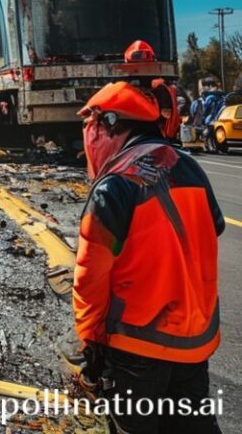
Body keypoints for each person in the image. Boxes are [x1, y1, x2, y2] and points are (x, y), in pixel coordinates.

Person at [74, 79, 224, 433]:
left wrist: (92, 346)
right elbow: (210, 230)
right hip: (194, 342)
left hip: (136, 348)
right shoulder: (190, 168)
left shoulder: (113, 188)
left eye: (91, 128)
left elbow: (89, 278)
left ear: (109, 126)